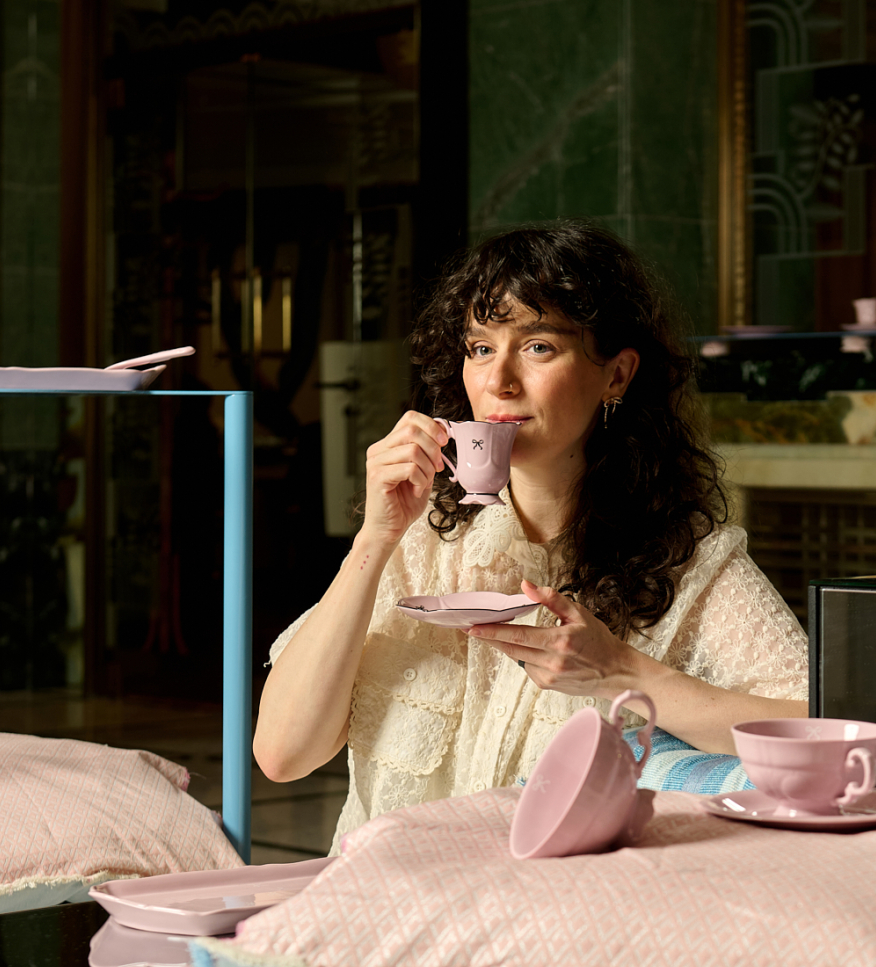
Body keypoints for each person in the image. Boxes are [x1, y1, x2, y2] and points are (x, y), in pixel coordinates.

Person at [254, 221, 807, 843]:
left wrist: (623, 672)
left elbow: (818, 730)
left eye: (538, 346)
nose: (499, 381)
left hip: (548, 903)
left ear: (617, 375)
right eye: (480, 348)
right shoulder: (417, 542)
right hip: (385, 893)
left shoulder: (687, 562)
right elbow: (283, 755)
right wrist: (374, 539)